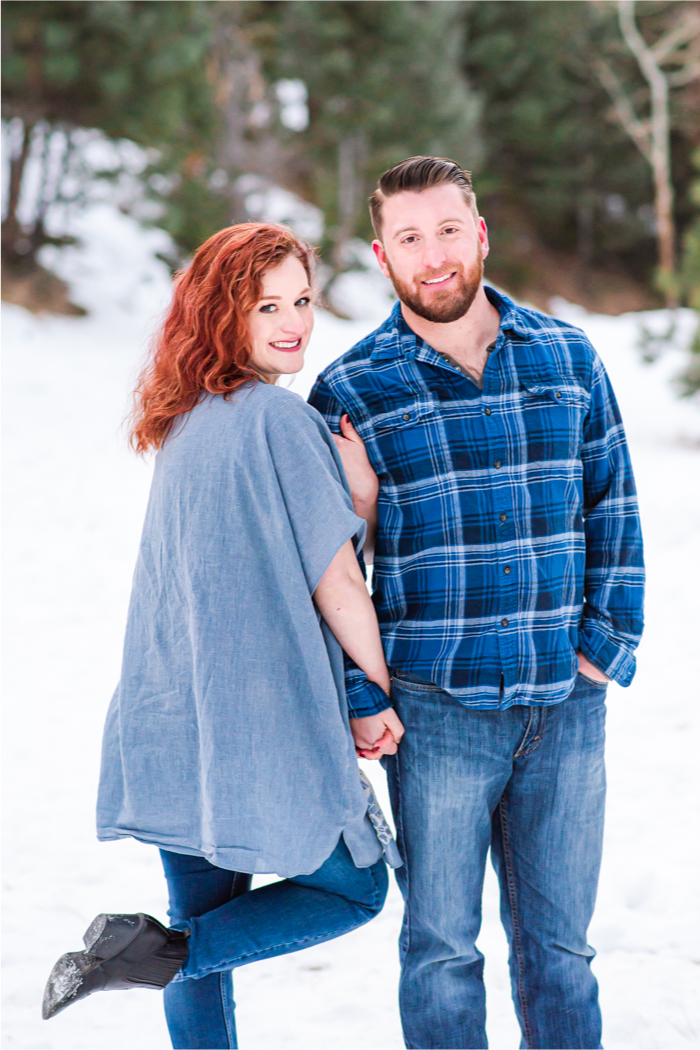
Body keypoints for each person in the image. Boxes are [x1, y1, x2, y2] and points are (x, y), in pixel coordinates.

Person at [307, 156, 644, 1050]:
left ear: (481, 233)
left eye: (449, 230)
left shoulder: (568, 358)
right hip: (433, 711)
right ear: (383, 256)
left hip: (563, 707)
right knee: (442, 951)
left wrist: (601, 649)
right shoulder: (351, 390)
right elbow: (326, 563)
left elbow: (615, 506)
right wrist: (362, 694)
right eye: (410, 239)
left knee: (561, 952)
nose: (435, 255)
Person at [43, 223, 406, 1049]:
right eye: (264, 304)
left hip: (172, 719)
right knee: (350, 890)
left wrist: (350, 504)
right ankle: (151, 955)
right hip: (259, 722)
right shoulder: (279, 419)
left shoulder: (180, 422)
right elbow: (336, 584)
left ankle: (153, 953)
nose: (293, 323)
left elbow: (252, 563)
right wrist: (379, 685)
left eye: (303, 301)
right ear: (220, 314)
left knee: (194, 929)